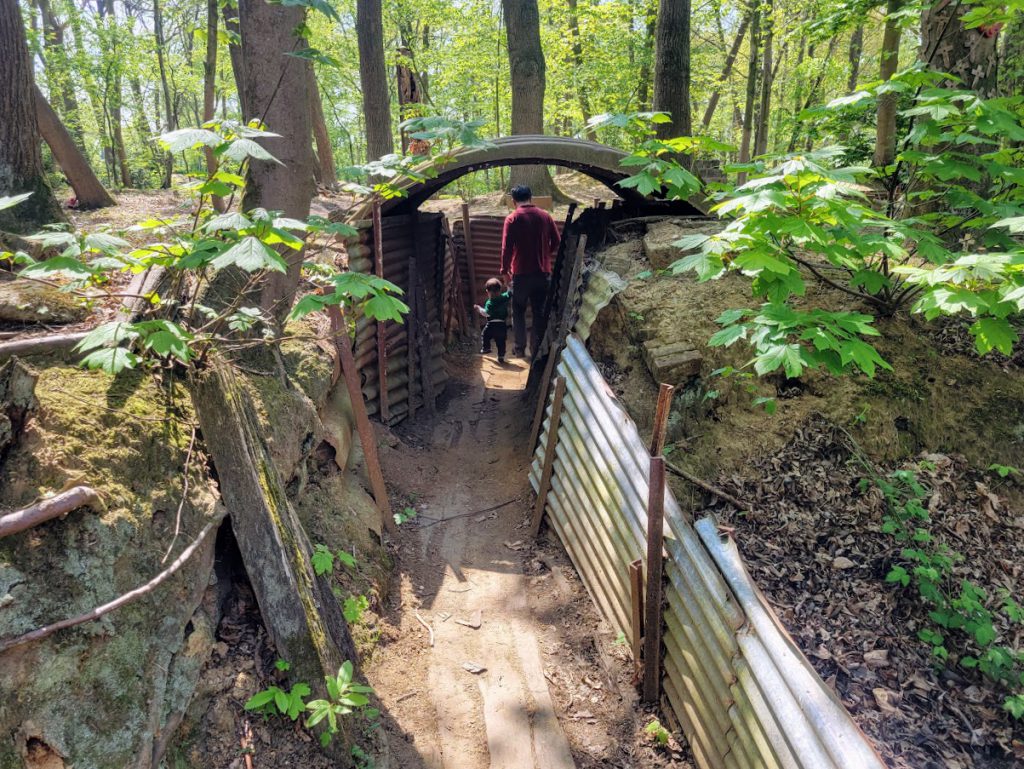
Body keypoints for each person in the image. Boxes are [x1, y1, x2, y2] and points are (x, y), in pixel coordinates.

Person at [499, 185, 560, 359]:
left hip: (521, 274)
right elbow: (557, 241)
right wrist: (545, 255)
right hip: (542, 274)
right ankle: (536, 350)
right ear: (531, 198)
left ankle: (519, 349)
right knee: (538, 312)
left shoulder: (512, 219)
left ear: (513, 200)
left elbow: (506, 249)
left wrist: (504, 272)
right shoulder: (545, 216)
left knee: (518, 310)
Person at [474, 277, 511, 364]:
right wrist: (510, 286)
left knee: (485, 335)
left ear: (487, 291)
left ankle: (486, 348)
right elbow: (509, 294)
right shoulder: (503, 297)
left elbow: (486, 313)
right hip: (502, 325)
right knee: (501, 341)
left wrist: (479, 308)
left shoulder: (489, 303)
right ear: (500, 290)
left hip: (491, 325)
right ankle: (501, 356)